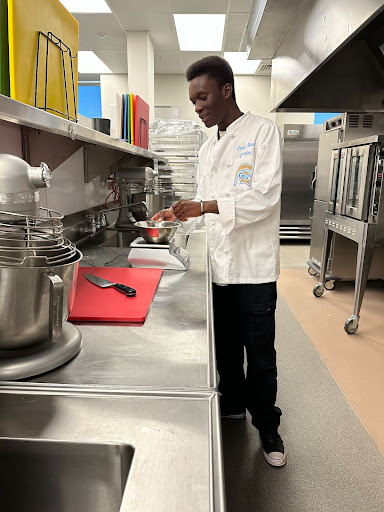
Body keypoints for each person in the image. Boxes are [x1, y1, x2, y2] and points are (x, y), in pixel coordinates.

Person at [152, 56, 285, 467]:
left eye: (202, 97)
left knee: (260, 353)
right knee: (225, 347)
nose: (198, 108)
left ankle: (267, 426)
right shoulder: (208, 148)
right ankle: (232, 408)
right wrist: (175, 215)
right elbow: (205, 206)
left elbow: (263, 198)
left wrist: (205, 204)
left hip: (254, 267)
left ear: (226, 89)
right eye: (193, 101)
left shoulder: (263, 132)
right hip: (218, 266)